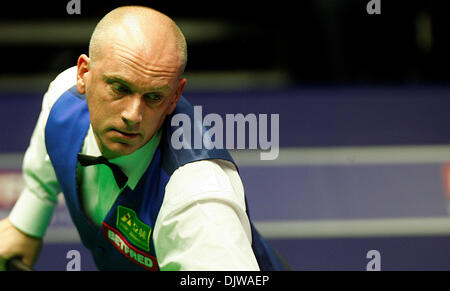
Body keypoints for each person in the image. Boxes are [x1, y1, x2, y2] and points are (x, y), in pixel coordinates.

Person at [0, 6, 286, 271]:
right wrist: (26, 225)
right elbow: (44, 174)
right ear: (84, 74)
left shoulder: (197, 198)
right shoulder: (62, 101)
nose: (133, 115)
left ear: (175, 96)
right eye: (120, 88)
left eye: (153, 97)